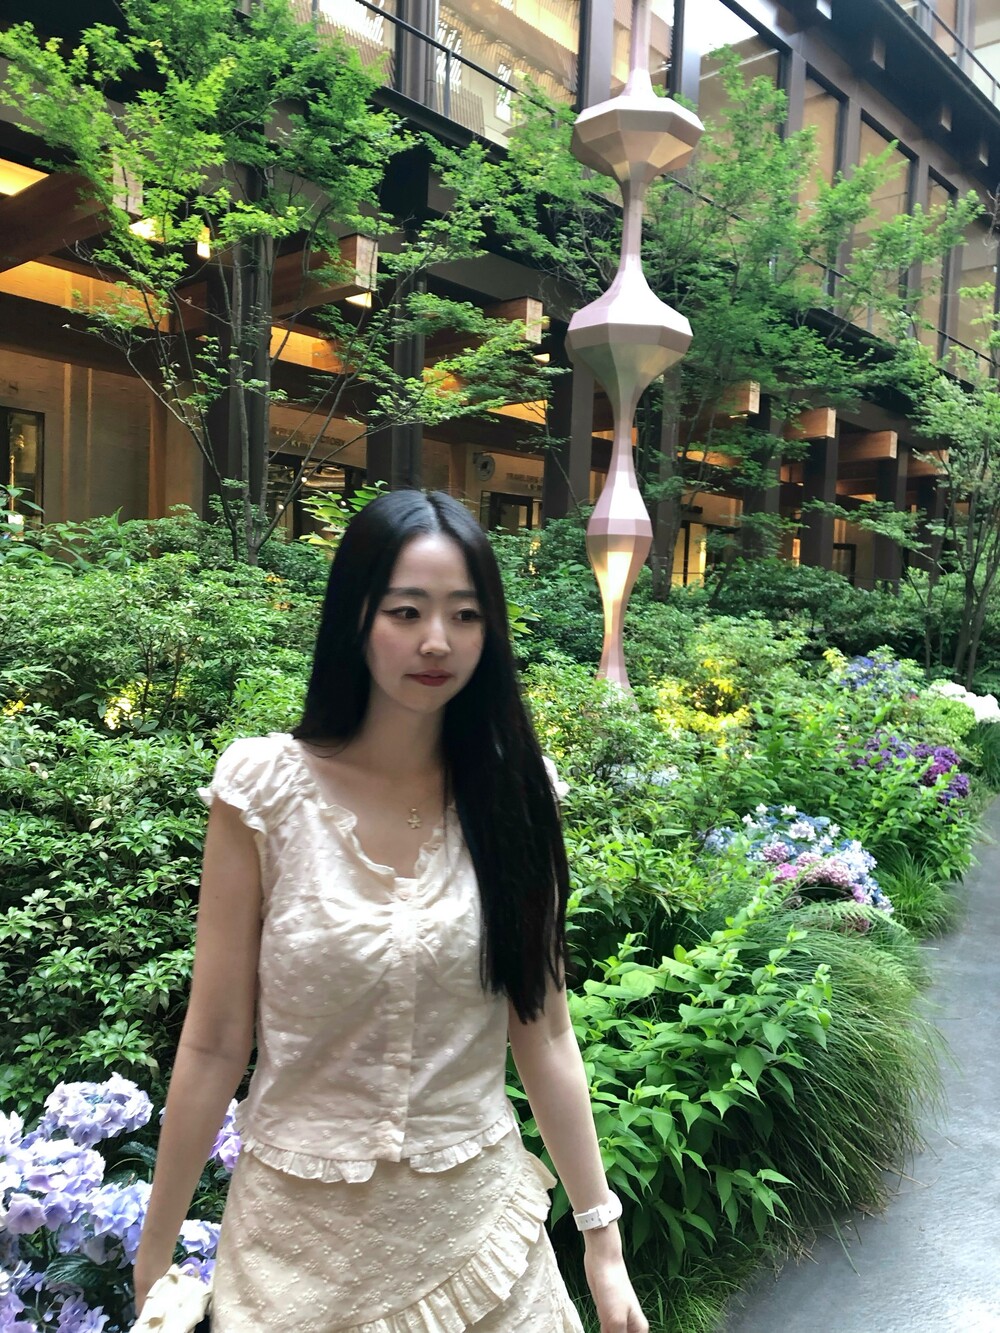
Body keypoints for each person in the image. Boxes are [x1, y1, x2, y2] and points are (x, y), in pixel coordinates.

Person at [134, 489, 649, 1333]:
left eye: (464, 614)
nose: (436, 640)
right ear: (356, 616)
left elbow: (546, 1030)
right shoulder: (263, 794)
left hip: (484, 1251)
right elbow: (215, 1040)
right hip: (294, 1260)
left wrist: (603, 1240)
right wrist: (155, 1254)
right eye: (406, 611)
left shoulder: (516, 796)